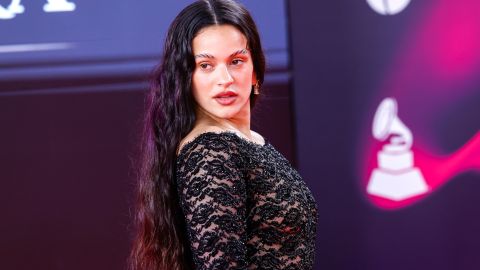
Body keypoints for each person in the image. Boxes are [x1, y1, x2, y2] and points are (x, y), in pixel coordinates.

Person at [130, 1, 318, 269]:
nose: (225, 78)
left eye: (237, 61)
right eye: (206, 65)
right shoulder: (210, 149)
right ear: (186, 76)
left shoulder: (249, 141)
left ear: (255, 71)